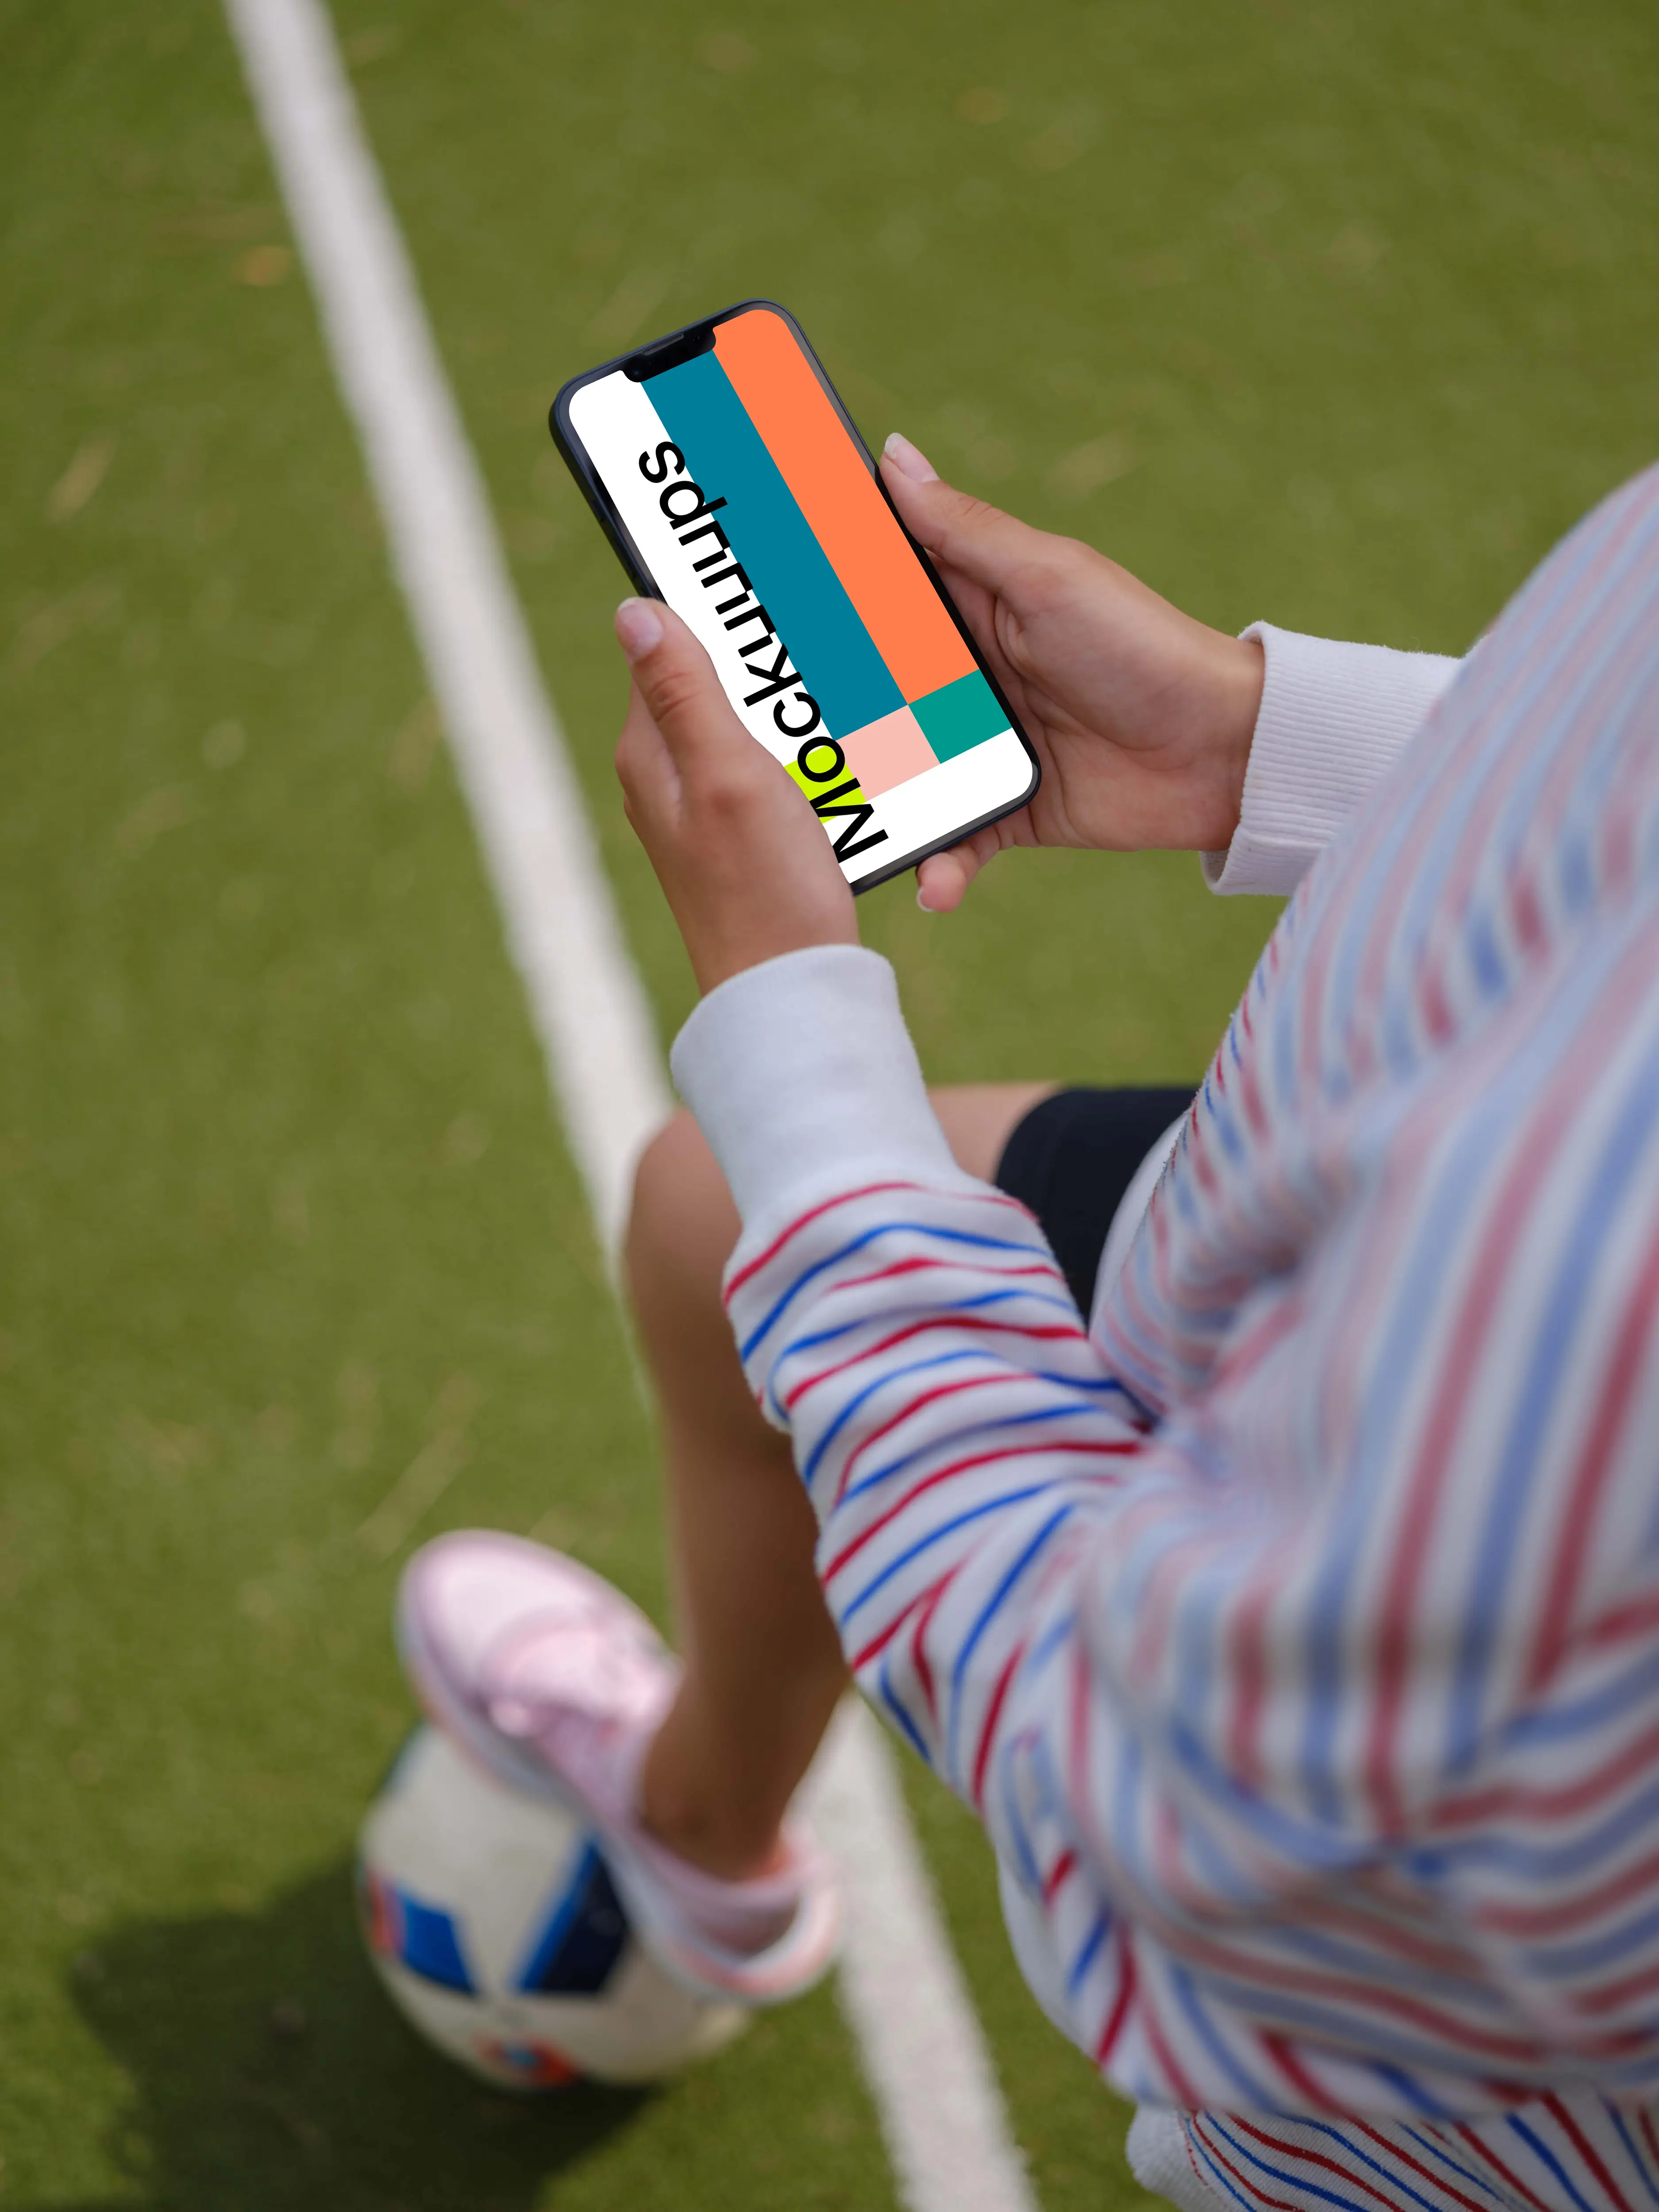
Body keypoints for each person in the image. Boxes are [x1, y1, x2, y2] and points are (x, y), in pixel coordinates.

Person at [399, 434, 1659, 2210]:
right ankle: (699, 1837)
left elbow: (1164, 1847)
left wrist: (799, 1040)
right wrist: (1255, 741)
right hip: (1306, 1205)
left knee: (746, 1186)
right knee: (706, 1212)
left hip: (1405, 2125)